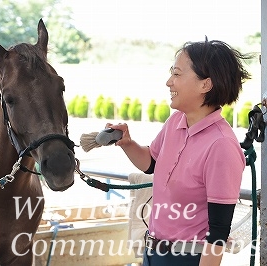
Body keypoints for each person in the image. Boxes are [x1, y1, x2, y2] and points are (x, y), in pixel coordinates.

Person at [107, 39, 252, 266]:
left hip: (188, 259)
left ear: (205, 85)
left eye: (177, 74)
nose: (169, 82)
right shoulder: (176, 121)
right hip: (153, 253)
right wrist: (127, 143)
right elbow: (152, 163)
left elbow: (219, 231)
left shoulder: (221, 146)